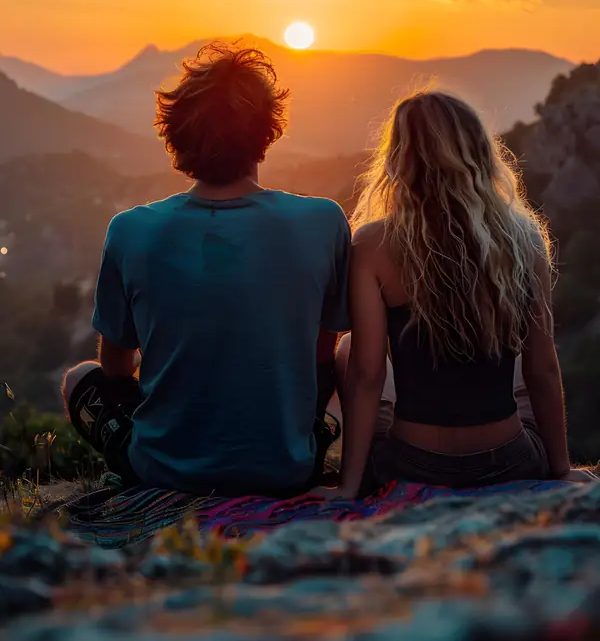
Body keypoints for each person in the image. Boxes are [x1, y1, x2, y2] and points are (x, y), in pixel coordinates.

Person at [62, 43, 349, 497]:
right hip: (286, 468)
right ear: (267, 130)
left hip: (165, 472)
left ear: (177, 135)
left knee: (79, 378)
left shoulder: (130, 230)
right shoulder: (324, 221)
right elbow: (319, 357)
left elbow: (116, 368)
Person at [320, 90, 590, 499]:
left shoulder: (373, 243)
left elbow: (367, 375)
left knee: (349, 349)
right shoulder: (523, 238)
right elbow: (543, 370)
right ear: (480, 153)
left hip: (412, 463)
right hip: (507, 460)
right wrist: (560, 469)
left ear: (399, 158)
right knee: (524, 364)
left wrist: (349, 486)